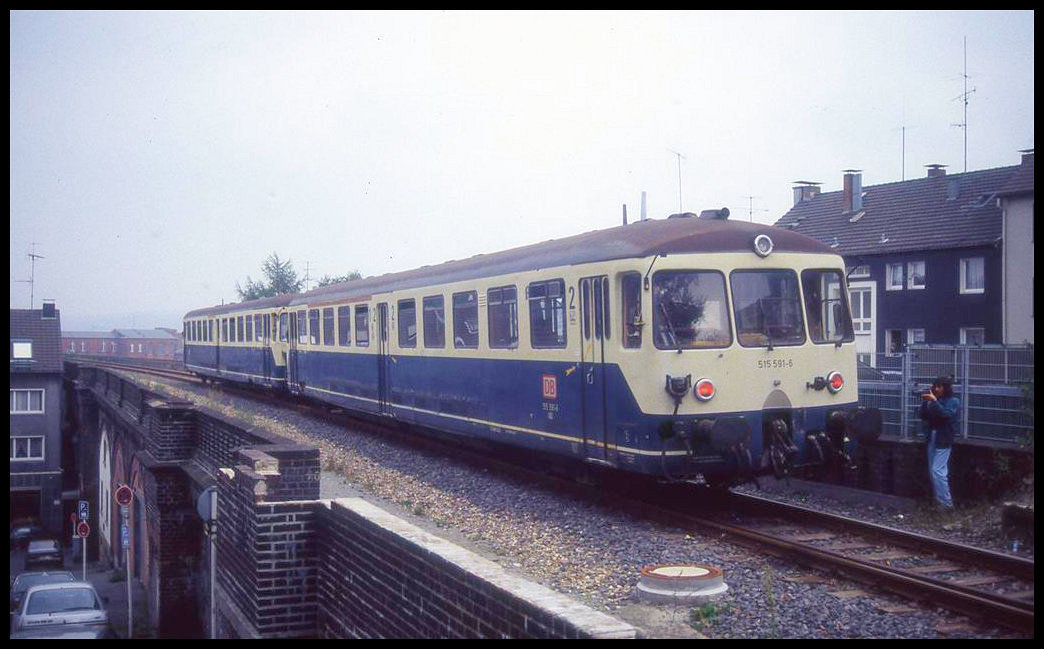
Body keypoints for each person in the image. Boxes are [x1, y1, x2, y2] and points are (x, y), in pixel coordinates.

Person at [918, 375, 960, 510]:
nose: (937, 389)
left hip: (944, 438)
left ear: (946, 388)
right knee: (934, 471)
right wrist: (925, 402)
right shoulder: (935, 400)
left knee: (938, 471)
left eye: (939, 386)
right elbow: (922, 415)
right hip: (933, 436)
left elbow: (945, 414)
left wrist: (934, 401)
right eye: (935, 386)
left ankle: (947, 504)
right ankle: (940, 502)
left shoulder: (954, 401)